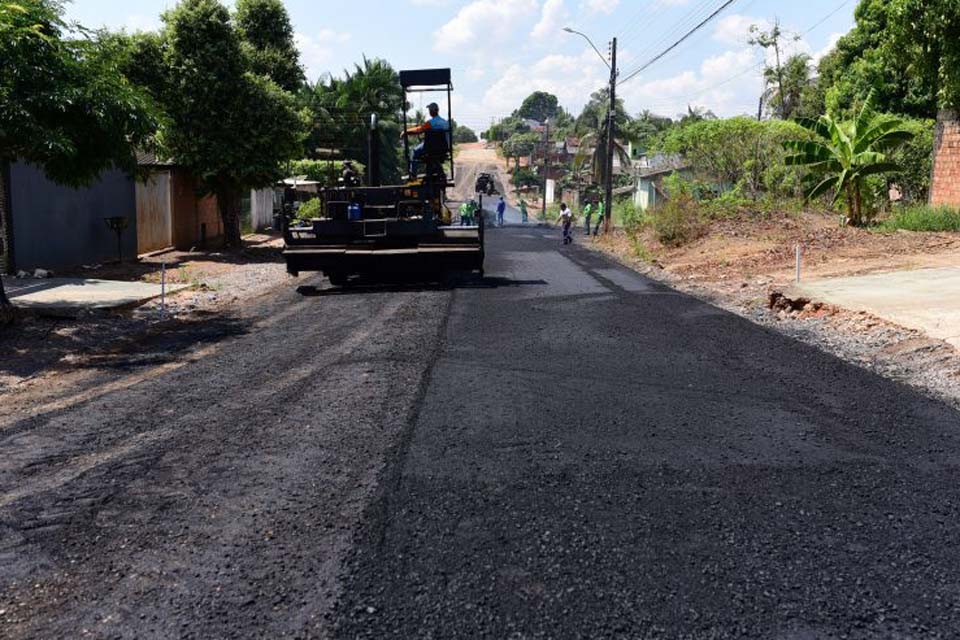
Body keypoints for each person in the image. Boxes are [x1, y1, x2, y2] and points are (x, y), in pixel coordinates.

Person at [401, 102, 449, 175]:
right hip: (443, 148)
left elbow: (419, 130)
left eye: (430, 110)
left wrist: (406, 132)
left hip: (430, 148)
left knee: (414, 152)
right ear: (437, 110)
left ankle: (413, 174)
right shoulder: (445, 123)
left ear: (431, 111)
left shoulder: (430, 123)